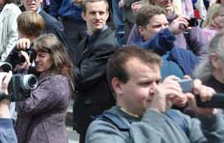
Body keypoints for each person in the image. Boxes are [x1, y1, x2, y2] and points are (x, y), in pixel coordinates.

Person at [86, 46, 224, 142]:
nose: (157, 90)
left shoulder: (177, 118)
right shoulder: (103, 129)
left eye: (158, 81)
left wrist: (209, 118)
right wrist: (155, 112)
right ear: (118, 85)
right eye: (145, 83)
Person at [73, 0, 118, 143]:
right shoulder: (84, 42)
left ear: (107, 15)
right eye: (92, 13)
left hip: (99, 115)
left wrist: (60, 63)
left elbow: (81, 77)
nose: (97, 17)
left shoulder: (107, 44)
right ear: (84, 15)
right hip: (87, 114)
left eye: (101, 13)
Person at [128, 0, 207, 61]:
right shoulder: (142, 22)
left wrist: (192, 70)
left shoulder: (184, 21)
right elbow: (131, 53)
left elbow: (204, 52)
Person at [15, 34, 73, 143]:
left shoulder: (56, 83)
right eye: (35, 55)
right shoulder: (45, 76)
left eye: (41, 56)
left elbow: (26, 106)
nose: (36, 59)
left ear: (55, 56)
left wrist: (22, 73)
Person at [134, 5, 199, 78]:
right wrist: (169, 32)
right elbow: (150, 47)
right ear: (141, 30)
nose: (164, 29)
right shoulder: (134, 55)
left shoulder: (186, 55)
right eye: (157, 26)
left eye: (166, 25)